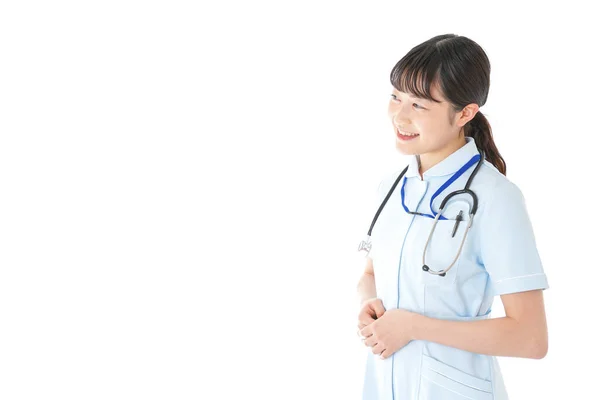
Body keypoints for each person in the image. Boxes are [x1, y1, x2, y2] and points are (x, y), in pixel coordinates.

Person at [355, 34, 549, 400]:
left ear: (465, 113)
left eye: (420, 105)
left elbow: (530, 338)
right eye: (396, 97)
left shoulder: (496, 199)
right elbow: (370, 274)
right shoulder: (391, 186)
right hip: (383, 387)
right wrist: (369, 304)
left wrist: (413, 326)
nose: (401, 115)